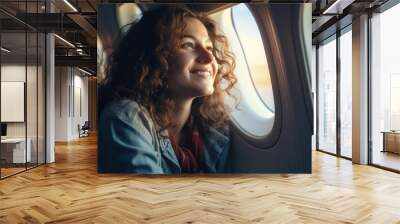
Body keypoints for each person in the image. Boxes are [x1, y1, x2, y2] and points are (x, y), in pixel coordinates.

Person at [98, 5, 237, 174]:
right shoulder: (125, 119)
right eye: (188, 45)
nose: (208, 58)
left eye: (209, 48)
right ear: (153, 57)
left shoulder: (213, 127)